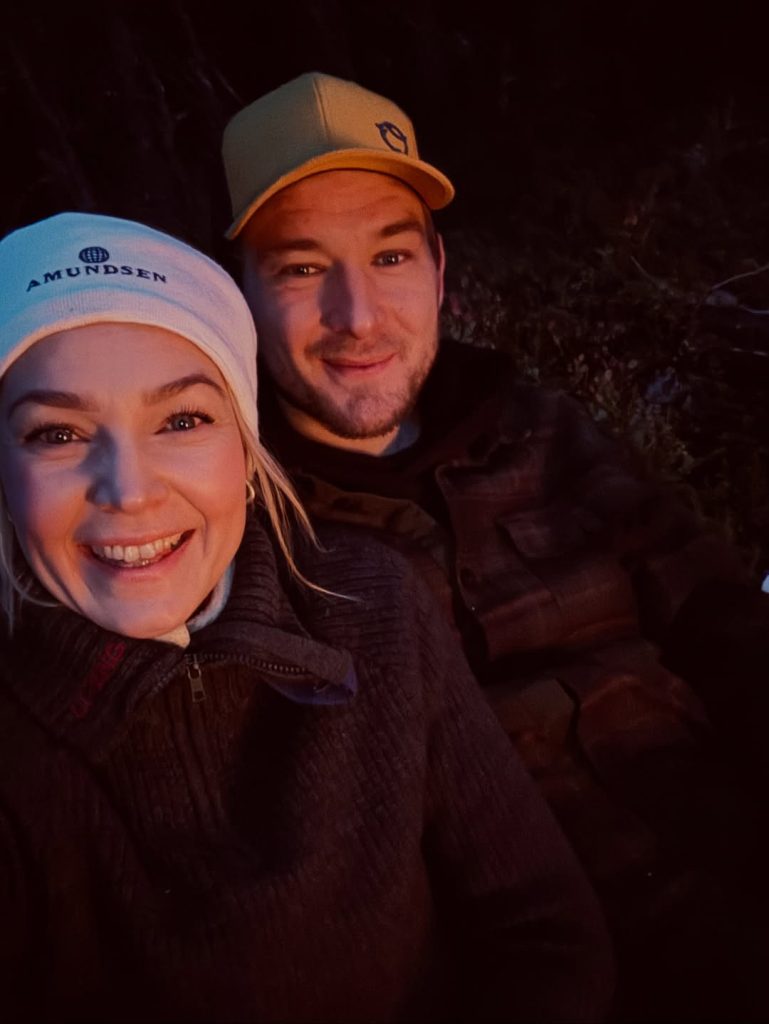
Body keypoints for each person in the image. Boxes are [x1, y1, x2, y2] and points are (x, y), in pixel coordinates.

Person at [222, 72, 769, 1021]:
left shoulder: (539, 429)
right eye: (302, 269)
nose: (359, 315)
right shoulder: (233, 524)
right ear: (237, 294)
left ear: (439, 271)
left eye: (390, 255)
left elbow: (719, 617)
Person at [0, 211, 614, 1023]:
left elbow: (542, 930)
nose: (131, 490)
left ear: (245, 448)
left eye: (183, 420)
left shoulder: (369, 604)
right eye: (58, 433)